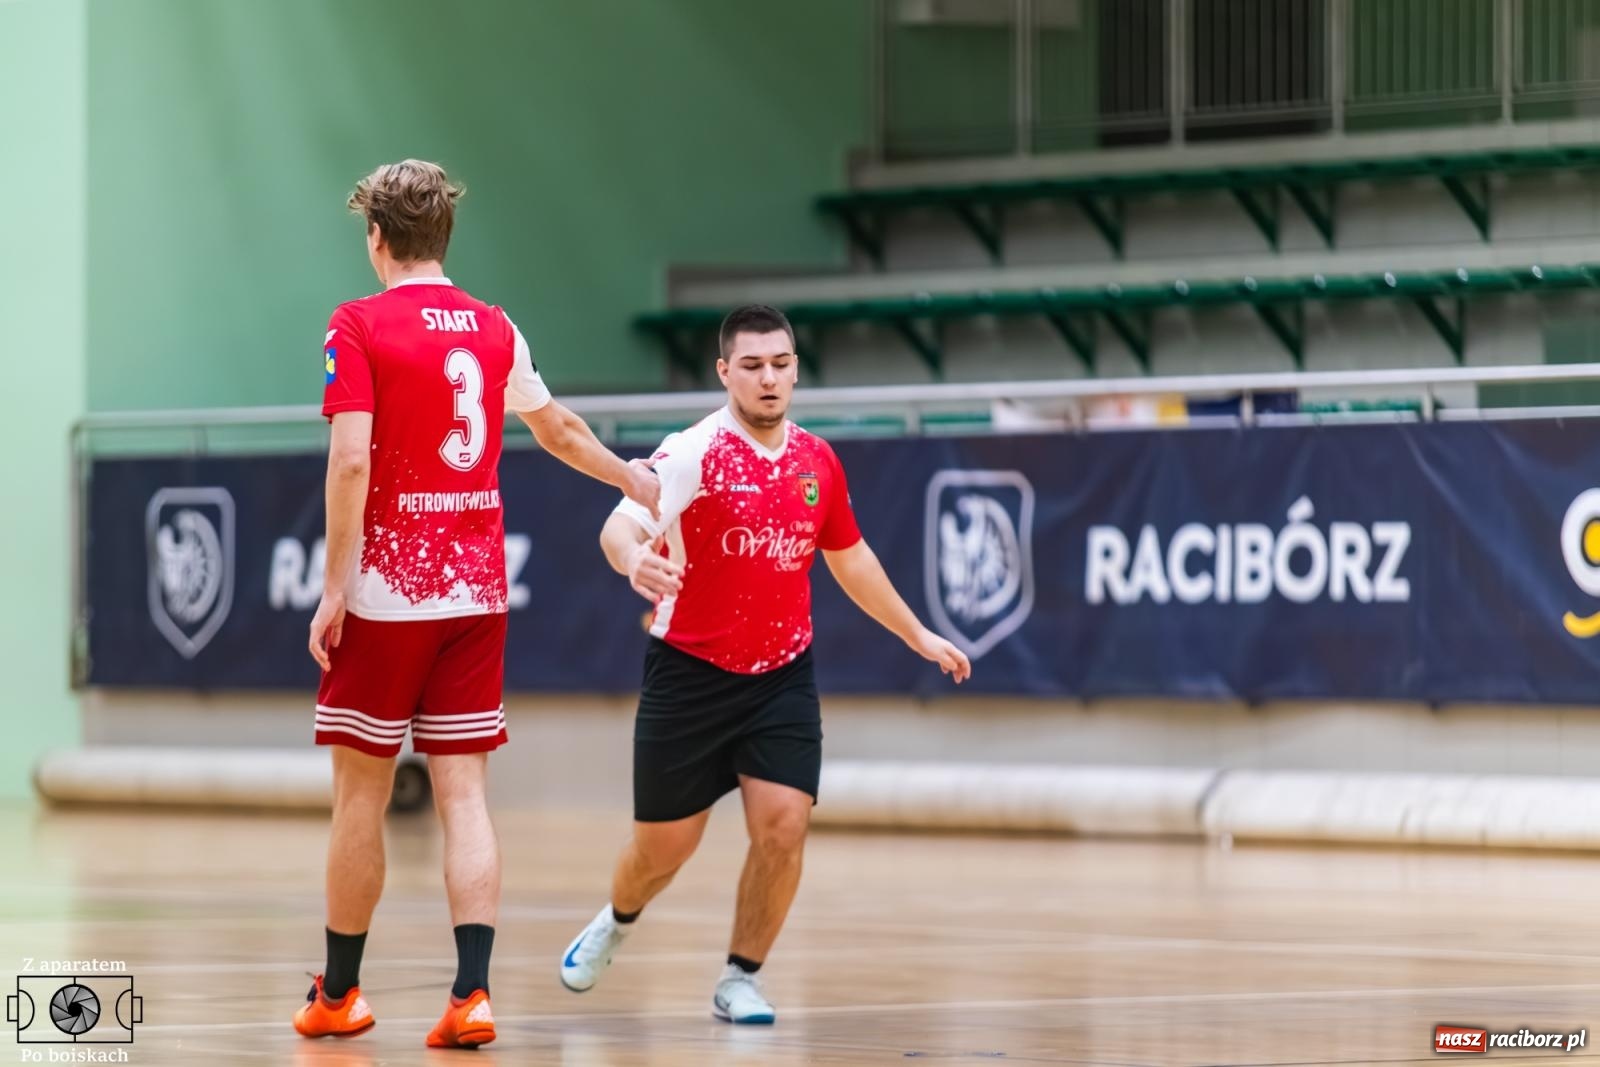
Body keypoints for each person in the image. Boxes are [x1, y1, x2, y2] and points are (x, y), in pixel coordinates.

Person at [292, 159, 659, 1049]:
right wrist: (630, 477)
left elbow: (350, 462)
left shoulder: (357, 324)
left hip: (386, 597)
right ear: (445, 235)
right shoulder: (495, 328)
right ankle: (472, 996)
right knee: (464, 797)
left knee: (361, 797)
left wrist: (334, 585)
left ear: (376, 238)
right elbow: (560, 429)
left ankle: (339, 993)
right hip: (474, 594)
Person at [558, 303, 971, 1024]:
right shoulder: (692, 452)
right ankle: (617, 918)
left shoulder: (818, 461)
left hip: (782, 676)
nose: (768, 378)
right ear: (725, 372)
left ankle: (740, 977)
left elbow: (853, 558)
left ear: (796, 368)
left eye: (780, 363)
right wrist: (633, 563)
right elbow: (620, 523)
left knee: (783, 825)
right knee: (662, 850)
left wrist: (916, 633)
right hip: (688, 675)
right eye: (751, 366)